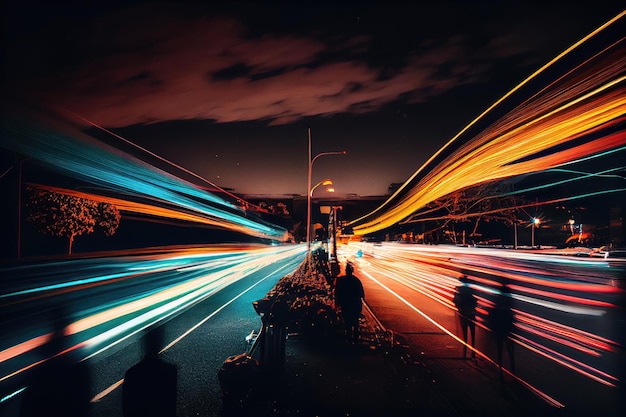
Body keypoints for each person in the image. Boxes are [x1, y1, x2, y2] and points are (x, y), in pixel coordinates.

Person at [123, 326, 177, 417]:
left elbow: (127, 408)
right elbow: (170, 407)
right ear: (160, 342)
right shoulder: (170, 371)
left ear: (144, 343)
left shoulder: (132, 373)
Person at [489, 279, 516, 380]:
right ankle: (512, 369)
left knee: (500, 345)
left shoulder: (499, 295)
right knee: (510, 346)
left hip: (500, 322)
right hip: (507, 322)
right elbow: (511, 307)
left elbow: (495, 307)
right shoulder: (509, 295)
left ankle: (500, 368)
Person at [334, 262, 365, 344]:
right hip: (355, 305)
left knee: (348, 322)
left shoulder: (341, 280)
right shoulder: (356, 281)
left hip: (346, 305)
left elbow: (337, 293)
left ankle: (349, 338)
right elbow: (362, 294)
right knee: (355, 322)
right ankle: (355, 339)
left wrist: (338, 303)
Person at [453, 275, 477, 359]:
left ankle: (464, 351)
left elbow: (456, 302)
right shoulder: (470, 290)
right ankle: (473, 352)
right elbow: (474, 301)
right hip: (471, 313)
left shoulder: (458, 290)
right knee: (472, 332)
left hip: (463, 313)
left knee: (465, 333)